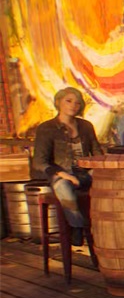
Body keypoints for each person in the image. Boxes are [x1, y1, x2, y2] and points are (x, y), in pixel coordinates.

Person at [33, 87, 105, 246]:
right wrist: (64, 175)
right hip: (62, 175)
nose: (73, 105)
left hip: (85, 173)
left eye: (77, 103)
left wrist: (104, 168)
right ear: (58, 102)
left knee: (108, 178)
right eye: (69, 101)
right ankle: (77, 227)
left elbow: (97, 153)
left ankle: (108, 225)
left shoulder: (86, 126)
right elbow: (39, 162)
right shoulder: (47, 128)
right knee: (63, 186)